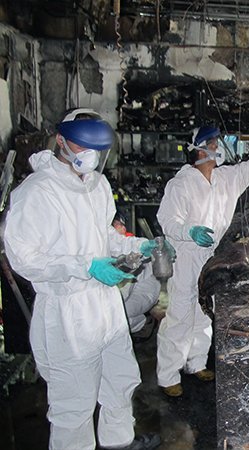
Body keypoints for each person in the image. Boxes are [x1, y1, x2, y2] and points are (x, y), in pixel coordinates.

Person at [3, 108, 167, 450]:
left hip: (105, 306)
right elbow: (24, 258)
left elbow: (105, 236)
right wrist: (85, 266)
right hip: (68, 314)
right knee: (73, 407)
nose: (90, 157)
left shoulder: (97, 185)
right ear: (61, 141)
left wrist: (142, 244)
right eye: (83, 147)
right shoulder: (37, 192)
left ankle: (118, 443)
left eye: (96, 149)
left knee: (120, 384)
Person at [156, 126, 249, 397]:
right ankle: (168, 375)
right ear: (200, 149)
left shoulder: (226, 178)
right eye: (214, 144)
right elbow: (167, 220)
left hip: (211, 255)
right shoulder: (182, 183)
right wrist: (190, 231)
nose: (218, 147)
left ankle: (196, 362)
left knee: (204, 313)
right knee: (180, 315)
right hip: (187, 255)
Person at [112, 214, 162, 336]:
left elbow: (124, 292)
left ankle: (144, 324)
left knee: (115, 314)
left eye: (118, 225)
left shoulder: (130, 252)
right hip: (125, 293)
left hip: (144, 291)